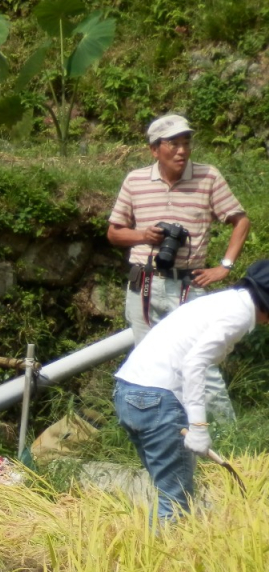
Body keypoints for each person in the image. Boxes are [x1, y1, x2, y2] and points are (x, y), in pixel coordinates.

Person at [107, 113, 251, 423]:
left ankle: (229, 437)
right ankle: (166, 430)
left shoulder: (207, 177)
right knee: (149, 362)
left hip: (188, 284)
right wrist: (144, 235)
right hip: (143, 284)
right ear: (154, 149)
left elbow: (241, 220)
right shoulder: (135, 180)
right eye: (173, 144)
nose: (182, 151)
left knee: (201, 362)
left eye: (186, 143)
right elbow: (114, 232)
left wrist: (224, 267)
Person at [113, 259, 269, 524]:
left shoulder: (223, 301)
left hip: (128, 392)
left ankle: (148, 556)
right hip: (157, 400)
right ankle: (164, 564)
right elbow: (194, 363)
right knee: (175, 503)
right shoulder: (239, 315)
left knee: (167, 492)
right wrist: (198, 425)